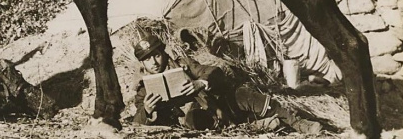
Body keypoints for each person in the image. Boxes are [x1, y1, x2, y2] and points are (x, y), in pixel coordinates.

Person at [132, 31, 323, 134]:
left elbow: (212, 72)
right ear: (142, 63)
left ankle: (299, 123)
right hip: (194, 122)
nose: (154, 62)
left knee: (245, 94)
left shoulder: (184, 65)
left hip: (216, 107)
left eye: (156, 55)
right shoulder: (143, 89)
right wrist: (148, 111)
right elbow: (136, 124)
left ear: (163, 53)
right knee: (193, 120)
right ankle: (261, 125)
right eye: (148, 59)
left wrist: (200, 82)